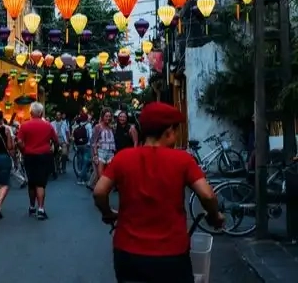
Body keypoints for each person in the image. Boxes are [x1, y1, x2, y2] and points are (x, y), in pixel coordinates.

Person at [93, 102, 225, 283]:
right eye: (176, 131)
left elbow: (99, 191)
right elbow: (208, 195)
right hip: (171, 253)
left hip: (128, 252)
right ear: (169, 131)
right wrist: (215, 216)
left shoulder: (123, 158)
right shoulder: (183, 160)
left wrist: (108, 213)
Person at [16, 102, 59, 220]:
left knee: (31, 182)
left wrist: (23, 150)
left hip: (29, 155)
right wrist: (53, 152)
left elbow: (19, 142)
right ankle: (41, 209)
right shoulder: (48, 126)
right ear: (41, 113)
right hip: (44, 155)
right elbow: (56, 141)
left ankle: (32, 206)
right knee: (41, 183)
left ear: (31, 112)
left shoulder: (24, 126)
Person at [90, 108, 116, 188]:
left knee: (109, 178)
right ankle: (98, 194)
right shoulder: (98, 127)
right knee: (101, 178)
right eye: (106, 116)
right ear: (102, 117)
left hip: (110, 154)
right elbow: (93, 142)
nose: (108, 118)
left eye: (109, 116)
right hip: (100, 153)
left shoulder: (111, 127)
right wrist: (95, 156)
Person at [72, 113, 92, 185]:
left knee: (80, 160)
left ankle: (82, 176)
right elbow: (90, 135)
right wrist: (90, 144)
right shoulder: (88, 125)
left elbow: (73, 134)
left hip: (78, 145)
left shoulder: (78, 124)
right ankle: (81, 178)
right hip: (86, 145)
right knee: (85, 162)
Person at [51, 111, 71, 176]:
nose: (58, 116)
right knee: (56, 155)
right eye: (57, 115)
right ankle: (58, 168)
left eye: (59, 115)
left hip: (63, 140)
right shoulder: (52, 123)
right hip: (55, 141)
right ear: (55, 116)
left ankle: (63, 167)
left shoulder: (64, 123)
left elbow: (67, 132)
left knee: (64, 154)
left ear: (61, 116)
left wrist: (67, 140)